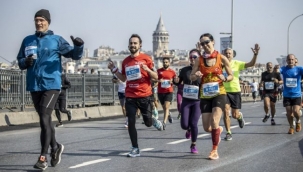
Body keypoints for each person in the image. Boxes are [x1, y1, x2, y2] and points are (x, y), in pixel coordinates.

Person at [17, 9, 84, 170]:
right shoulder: (28, 40)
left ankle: (42, 158)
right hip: (34, 85)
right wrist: (25, 61)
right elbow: (19, 61)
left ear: (48, 22)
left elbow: (74, 56)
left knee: (44, 117)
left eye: (42, 20)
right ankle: (56, 147)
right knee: (45, 120)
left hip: (52, 85)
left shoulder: (56, 40)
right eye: (37, 20)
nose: (39, 23)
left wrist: (79, 46)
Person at [107, 34, 163, 158]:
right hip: (130, 96)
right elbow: (123, 78)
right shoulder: (126, 61)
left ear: (140, 45)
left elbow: (156, 76)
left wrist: (147, 70)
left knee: (147, 123)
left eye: (135, 43)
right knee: (131, 122)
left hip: (145, 95)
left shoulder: (146, 59)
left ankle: (152, 120)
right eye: (131, 43)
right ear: (128, 45)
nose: (133, 45)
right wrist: (114, 70)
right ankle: (135, 148)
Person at [190, 33, 233, 160]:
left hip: (219, 92)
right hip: (205, 94)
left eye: (207, 42)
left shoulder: (222, 58)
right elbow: (191, 77)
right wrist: (196, 75)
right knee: (207, 127)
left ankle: (214, 150)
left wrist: (224, 78)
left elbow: (231, 76)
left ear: (213, 42)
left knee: (215, 121)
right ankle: (218, 130)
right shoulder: (199, 60)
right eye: (202, 43)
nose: (205, 45)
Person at [222, 45, 259, 141]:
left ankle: (239, 117)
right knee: (226, 112)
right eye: (226, 53)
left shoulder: (237, 63)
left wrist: (255, 54)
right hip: (224, 91)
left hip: (235, 91)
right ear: (223, 55)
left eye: (229, 53)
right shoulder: (220, 64)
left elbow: (251, 64)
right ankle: (228, 132)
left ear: (233, 55)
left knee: (234, 115)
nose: (228, 55)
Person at [174, 49, 201, 154]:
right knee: (184, 125)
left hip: (197, 101)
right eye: (191, 57)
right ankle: (188, 129)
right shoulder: (184, 70)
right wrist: (175, 81)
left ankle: (193, 144)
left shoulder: (201, 70)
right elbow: (178, 82)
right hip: (186, 100)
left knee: (194, 123)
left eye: (195, 57)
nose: (192, 59)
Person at [280, 54, 303, 134]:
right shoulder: (283, 69)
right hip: (287, 95)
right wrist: (275, 70)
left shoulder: (299, 69)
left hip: (296, 95)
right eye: (289, 60)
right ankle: (291, 127)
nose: (290, 61)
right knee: (289, 112)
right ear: (286, 61)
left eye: (292, 59)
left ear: (295, 60)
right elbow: (278, 71)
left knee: (296, 111)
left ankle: (298, 121)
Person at [157, 57, 176, 130]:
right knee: (164, 108)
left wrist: (173, 82)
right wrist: (159, 81)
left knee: (166, 106)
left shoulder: (172, 72)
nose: (165, 63)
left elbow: (176, 81)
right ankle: (169, 114)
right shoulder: (158, 71)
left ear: (169, 63)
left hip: (169, 91)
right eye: (164, 62)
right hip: (161, 92)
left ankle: (164, 123)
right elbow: (154, 79)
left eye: (166, 62)